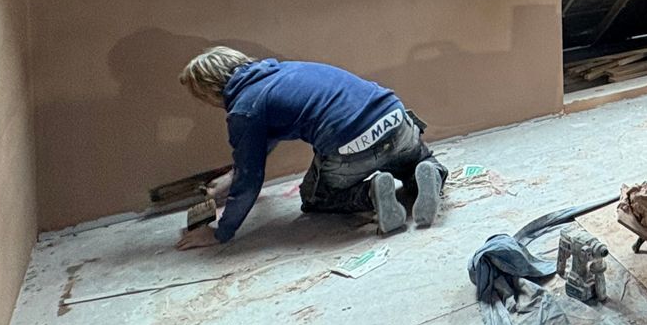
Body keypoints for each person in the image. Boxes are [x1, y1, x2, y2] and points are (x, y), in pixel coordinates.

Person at [174, 47, 446, 249]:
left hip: (352, 146)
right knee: (418, 159)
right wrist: (232, 176)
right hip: (395, 120)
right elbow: (265, 136)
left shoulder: (244, 110)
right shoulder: (283, 71)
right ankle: (428, 172)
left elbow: (250, 177)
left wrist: (220, 232)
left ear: (209, 91)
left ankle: (371, 193)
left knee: (316, 197)